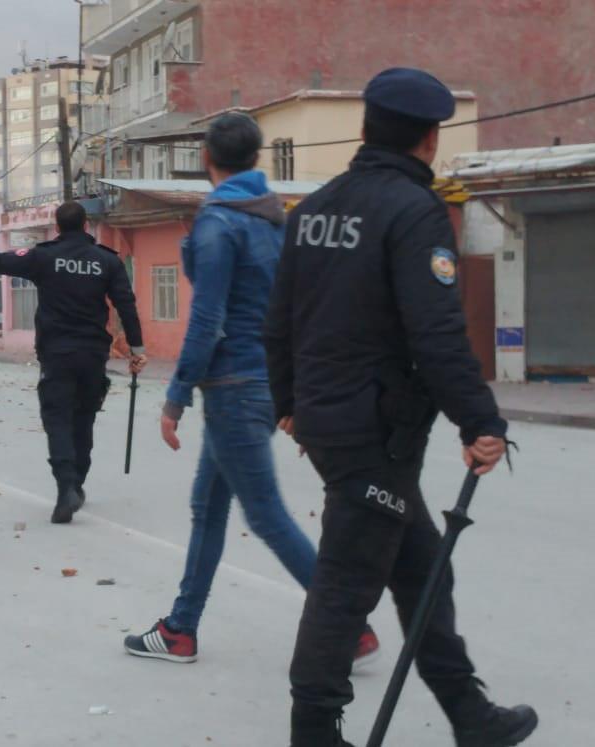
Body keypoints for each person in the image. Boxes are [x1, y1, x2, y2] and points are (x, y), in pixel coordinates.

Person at [263, 68, 538, 747]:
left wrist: (289, 401)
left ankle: (469, 713)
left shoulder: (315, 208)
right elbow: (436, 333)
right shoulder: (413, 211)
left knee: (421, 568)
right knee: (345, 583)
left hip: (333, 421)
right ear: (430, 138)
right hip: (373, 431)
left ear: (366, 128)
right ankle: (313, 731)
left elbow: (279, 319)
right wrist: (480, 421)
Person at [122, 113, 380, 670]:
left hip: (234, 387)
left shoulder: (219, 223)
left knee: (264, 514)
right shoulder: (275, 220)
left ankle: (348, 625)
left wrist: (176, 396)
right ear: (256, 159)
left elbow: (207, 319)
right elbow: (299, 309)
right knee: (208, 506)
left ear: (207, 159)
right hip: (262, 381)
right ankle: (180, 629)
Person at [0, 202, 147, 524]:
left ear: (56, 227)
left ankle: (66, 488)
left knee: (57, 420)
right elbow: (127, 304)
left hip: (57, 354)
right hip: (93, 355)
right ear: (86, 226)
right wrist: (137, 350)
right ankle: (76, 483)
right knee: (84, 419)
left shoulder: (43, 257)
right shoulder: (107, 260)